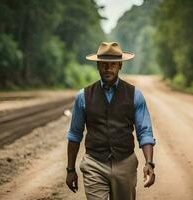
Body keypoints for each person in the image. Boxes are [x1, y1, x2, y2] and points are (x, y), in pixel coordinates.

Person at [65, 42, 156, 200]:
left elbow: (145, 132)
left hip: (125, 163)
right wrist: (70, 170)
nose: (108, 68)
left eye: (113, 64)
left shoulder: (135, 95)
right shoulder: (83, 96)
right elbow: (74, 134)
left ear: (120, 65)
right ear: (98, 66)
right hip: (94, 163)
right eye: (104, 64)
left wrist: (149, 163)